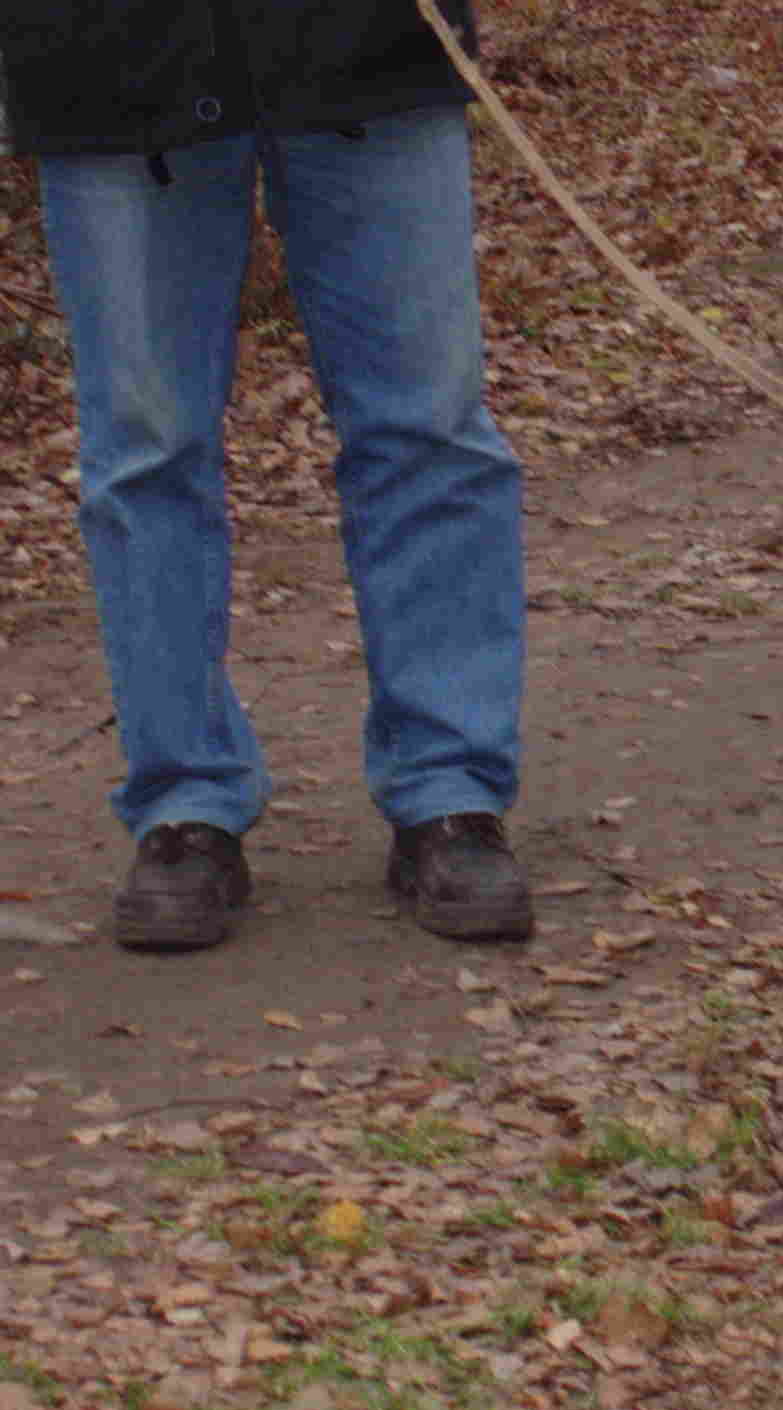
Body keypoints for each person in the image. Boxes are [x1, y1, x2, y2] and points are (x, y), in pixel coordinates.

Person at [0, 2, 535, 949]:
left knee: (429, 433)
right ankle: (183, 807)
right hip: (105, 56)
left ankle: (450, 791)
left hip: (370, 48)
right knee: (146, 451)